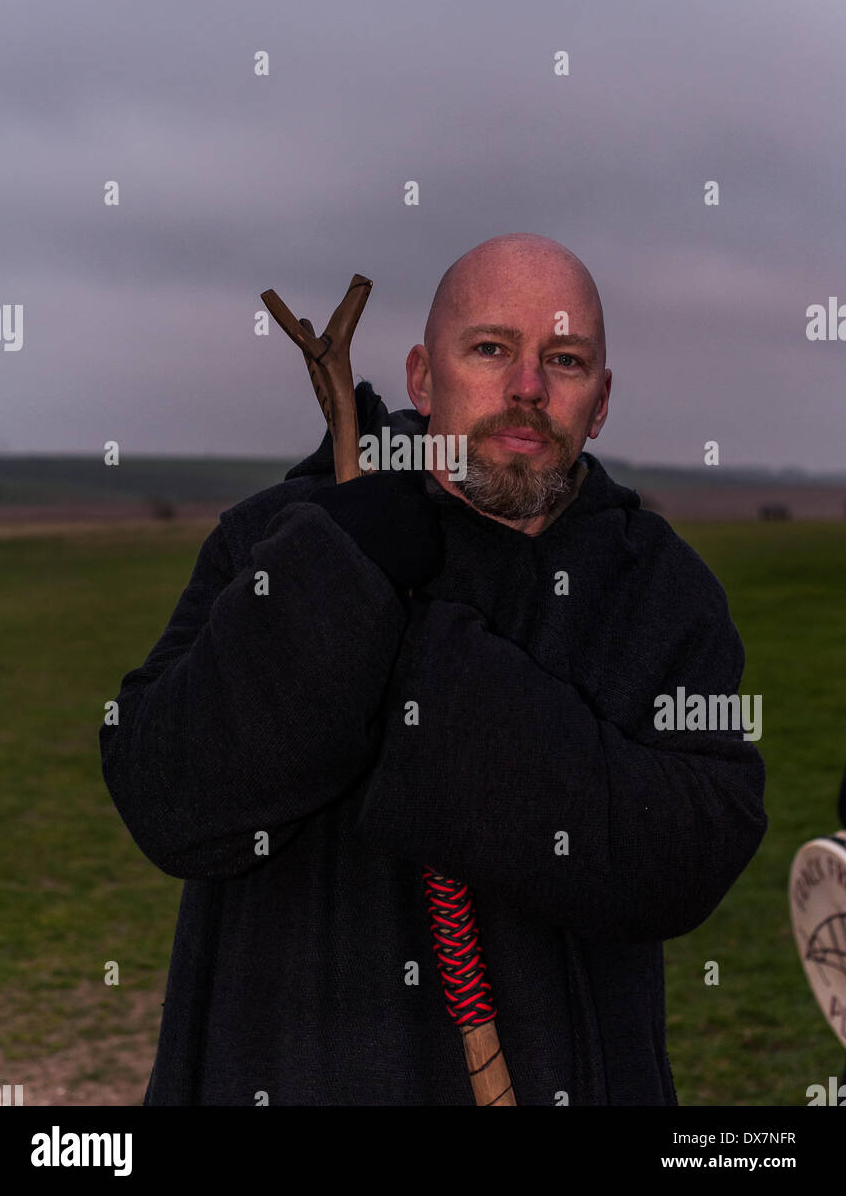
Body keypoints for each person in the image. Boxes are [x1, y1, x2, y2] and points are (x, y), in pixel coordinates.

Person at [99, 232, 767, 1105]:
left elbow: (688, 855)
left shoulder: (657, 589)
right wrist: (333, 579)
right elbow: (169, 799)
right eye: (489, 349)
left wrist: (424, 659)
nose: (527, 387)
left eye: (563, 360)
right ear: (422, 377)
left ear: (599, 402)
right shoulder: (281, 539)